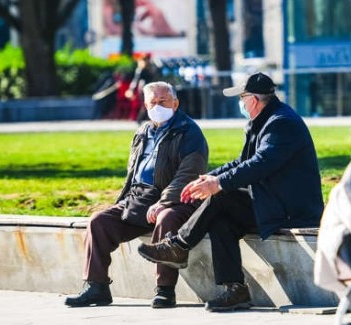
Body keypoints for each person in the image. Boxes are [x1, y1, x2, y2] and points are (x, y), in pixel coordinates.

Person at [138, 72, 325, 312]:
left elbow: (260, 163)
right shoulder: (264, 120)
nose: (241, 103)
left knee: (223, 196)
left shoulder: (281, 123)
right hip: (271, 201)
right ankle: (235, 289)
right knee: (221, 219)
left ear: (254, 100)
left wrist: (218, 185)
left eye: (242, 97)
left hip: (291, 209)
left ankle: (179, 246)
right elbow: (242, 161)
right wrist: (209, 178)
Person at [65, 81, 208, 309]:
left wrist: (164, 201)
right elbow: (133, 173)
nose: (158, 106)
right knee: (98, 222)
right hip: (139, 199)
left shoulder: (189, 131)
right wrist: (122, 201)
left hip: (176, 199)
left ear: (175, 103)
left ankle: (165, 290)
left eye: (163, 101)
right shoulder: (142, 132)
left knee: (166, 218)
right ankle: (96, 286)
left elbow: (189, 173)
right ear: (145, 104)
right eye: (153, 102)